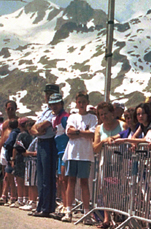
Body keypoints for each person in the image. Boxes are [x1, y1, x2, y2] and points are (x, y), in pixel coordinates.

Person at [62, 91, 98, 223]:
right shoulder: (72, 117)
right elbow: (69, 132)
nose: (81, 104)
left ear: (87, 103)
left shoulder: (92, 118)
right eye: (79, 102)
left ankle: (86, 213)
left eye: (83, 102)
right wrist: (82, 132)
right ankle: (68, 210)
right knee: (71, 181)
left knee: (84, 182)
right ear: (76, 103)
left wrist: (77, 132)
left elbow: (92, 134)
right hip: (72, 152)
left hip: (85, 154)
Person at [29, 84, 60, 218]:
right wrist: (37, 129)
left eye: (50, 93)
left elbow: (44, 125)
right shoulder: (45, 111)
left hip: (49, 143)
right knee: (41, 177)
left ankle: (47, 207)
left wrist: (38, 129)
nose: (47, 96)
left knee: (47, 176)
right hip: (41, 142)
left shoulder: (54, 111)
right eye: (46, 93)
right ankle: (41, 205)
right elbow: (34, 128)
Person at [93, 101, 123, 229]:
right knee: (105, 188)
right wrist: (104, 141)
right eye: (101, 115)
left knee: (120, 188)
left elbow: (127, 136)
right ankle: (106, 218)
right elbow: (95, 147)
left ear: (112, 113)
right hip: (105, 160)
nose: (103, 117)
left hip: (121, 159)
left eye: (105, 114)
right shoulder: (99, 128)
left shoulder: (122, 125)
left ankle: (119, 216)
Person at [0, 100, 18, 206]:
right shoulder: (5, 123)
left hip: (13, 149)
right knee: (5, 174)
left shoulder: (18, 121)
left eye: (12, 108)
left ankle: (12, 196)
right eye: (8, 109)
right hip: (4, 149)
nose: (10, 110)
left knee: (11, 174)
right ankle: (5, 195)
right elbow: (1, 138)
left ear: (16, 109)